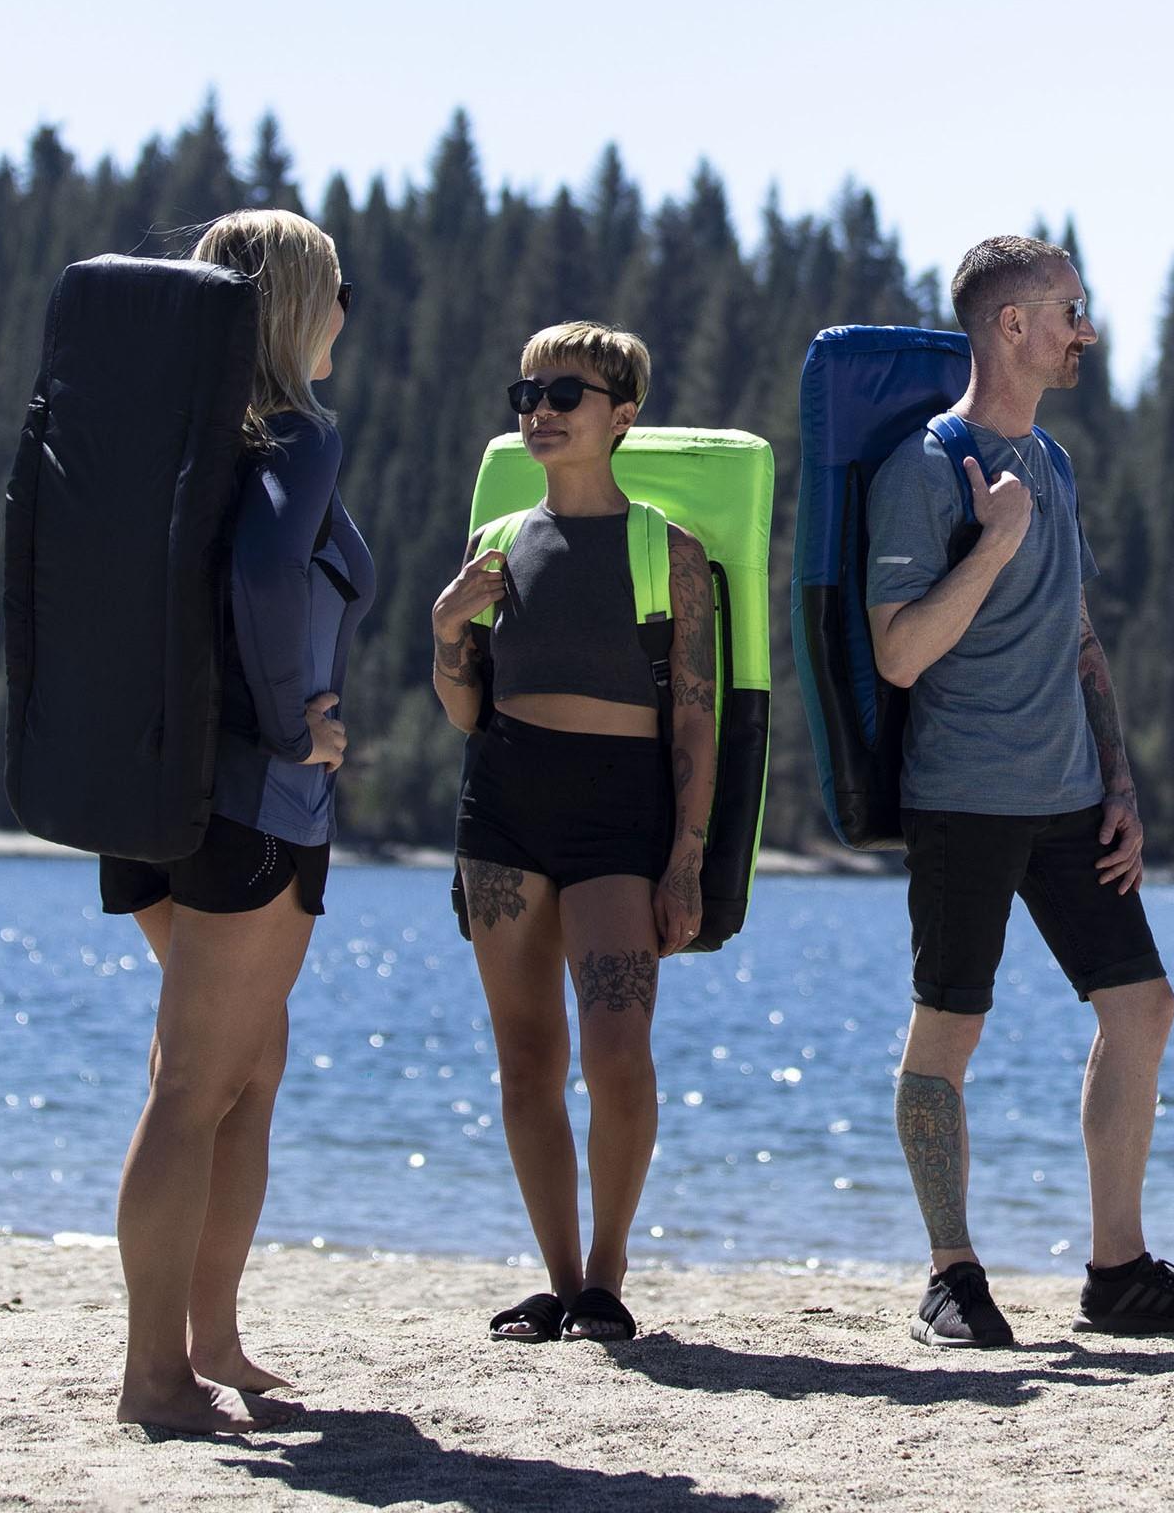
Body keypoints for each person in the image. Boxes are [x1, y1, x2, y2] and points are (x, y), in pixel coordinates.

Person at [867, 235, 1174, 1347]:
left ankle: (1118, 1269)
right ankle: (952, 1273)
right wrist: (989, 549)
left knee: (1143, 1007)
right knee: (950, 1028)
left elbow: (1077, 630)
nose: (1085, 329)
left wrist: (1118, 776)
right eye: (1069, 310)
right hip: (963, 796)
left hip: (1071, 797)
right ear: (1010, 327)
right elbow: (899, 653)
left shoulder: (1056, 464)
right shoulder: (925, 469)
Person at [101, 210, 373, 1431]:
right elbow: (270, 581)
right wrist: (289, 729)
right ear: (293, 307)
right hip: (254, 801)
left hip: (151, 794)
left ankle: (209, 1340)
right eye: (336, 291)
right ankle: (155, 1377)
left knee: (237, 1069)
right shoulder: (294, 435)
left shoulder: (169, 434)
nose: (346, 315)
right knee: (201, 1082)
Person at [430, 321, 715, 1346]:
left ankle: (606, 1274)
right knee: (525, 1058)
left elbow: (693, 714)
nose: (539, 409)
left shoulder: (669, 554)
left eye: (566, 392)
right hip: (502, 805)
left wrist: (686, 861)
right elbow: (464, 711)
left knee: (619, 1054)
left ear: (621, 415)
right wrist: (446, 628)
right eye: (527, 393)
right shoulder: (495, 545)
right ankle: (556, 1279)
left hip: (618, 815)